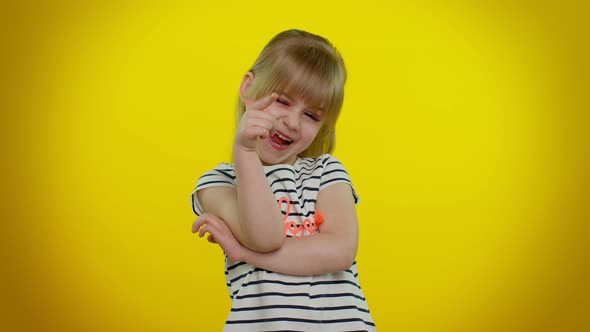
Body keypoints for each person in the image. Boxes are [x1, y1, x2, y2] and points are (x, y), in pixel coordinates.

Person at [190, 29, 375, 331]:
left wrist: (245, 254)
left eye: (312, 116)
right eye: (284, 102)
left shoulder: (326, 172)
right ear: (249, 88)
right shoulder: (216, 185)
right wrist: (245, 151)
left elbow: (339, 251)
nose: (292, 122)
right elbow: (266, 237)